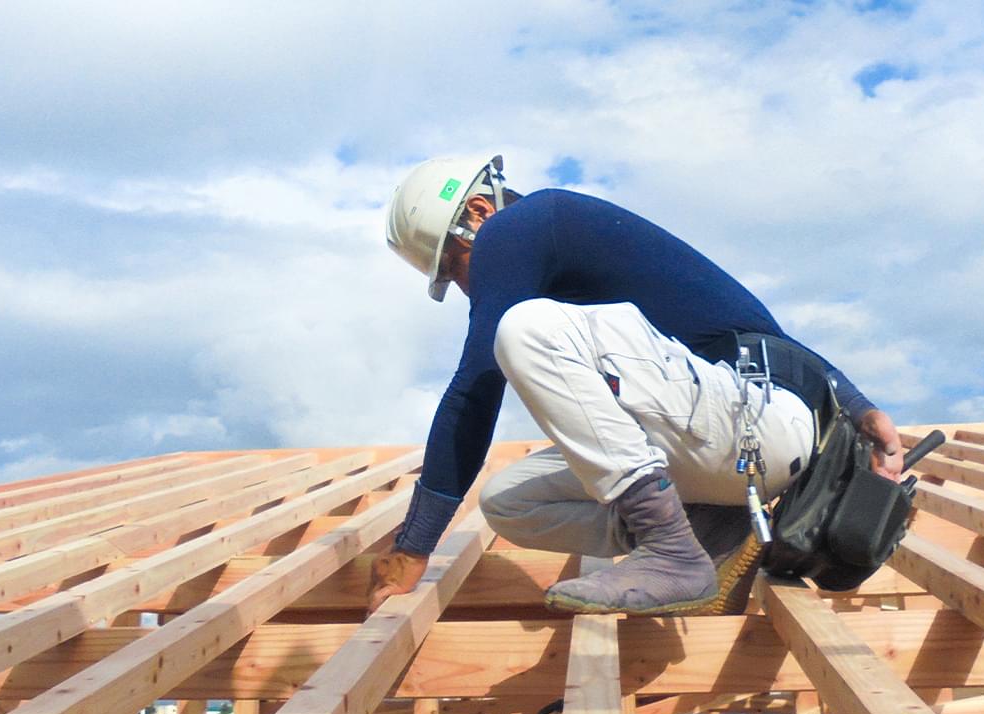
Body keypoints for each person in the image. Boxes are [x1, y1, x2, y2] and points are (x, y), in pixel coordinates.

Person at [367, 155, 902, 616]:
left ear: (479, 215)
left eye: (455, 269)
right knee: (508, 502)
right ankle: (707, 528)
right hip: (735, 437)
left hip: (754, 430)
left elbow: (476, 387)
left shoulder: (521, 223)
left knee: (524, 331)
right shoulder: (573, 251)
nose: (466, 289)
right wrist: (856, 403)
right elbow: (749, 325)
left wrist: (414, 546)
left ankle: (671, 550)